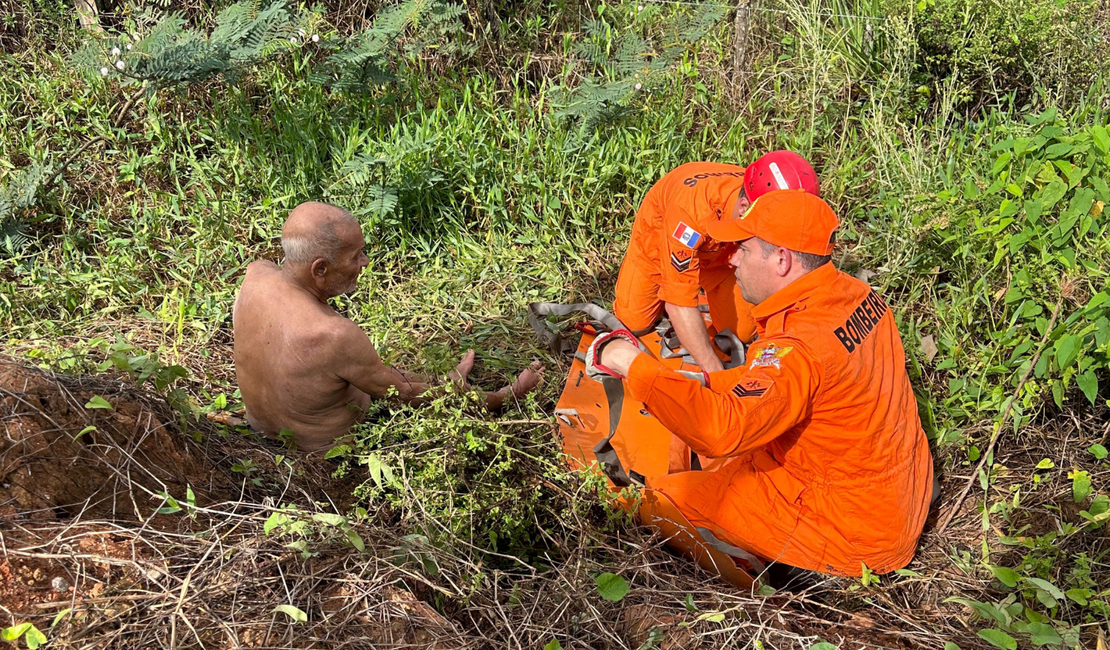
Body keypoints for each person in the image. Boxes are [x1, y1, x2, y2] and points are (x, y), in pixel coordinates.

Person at [588, 190, 933, 575]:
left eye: (745, 249)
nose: (732, 258)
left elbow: (722, 430)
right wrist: (700, 383)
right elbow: (792, 384)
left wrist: (627, 361)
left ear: (782, 260)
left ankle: (766, 565)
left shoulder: (798, 349)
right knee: (701, 426)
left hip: (849, 529)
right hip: (896, 496)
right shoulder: (859, 296)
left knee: (661, 498)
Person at [232, 202, 544, 452]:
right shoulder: (332, 335)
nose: (365, 263)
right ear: (321, 269)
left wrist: (438, 381)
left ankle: (447, 381)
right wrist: (505, 396)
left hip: (260, 436)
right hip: (324, 454)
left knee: (379, 373)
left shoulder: (255, 276)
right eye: (356, 256)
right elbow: (405, 396)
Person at [612, 151, 820, 373]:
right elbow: (678, 303)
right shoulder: (691, 212)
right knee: (634, 321)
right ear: (743, 208)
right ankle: (679, 284)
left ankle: (702, 287)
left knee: (741, 332)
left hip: (723, 256)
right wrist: (715, 374)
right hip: (660, 243)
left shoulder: (770, 201)